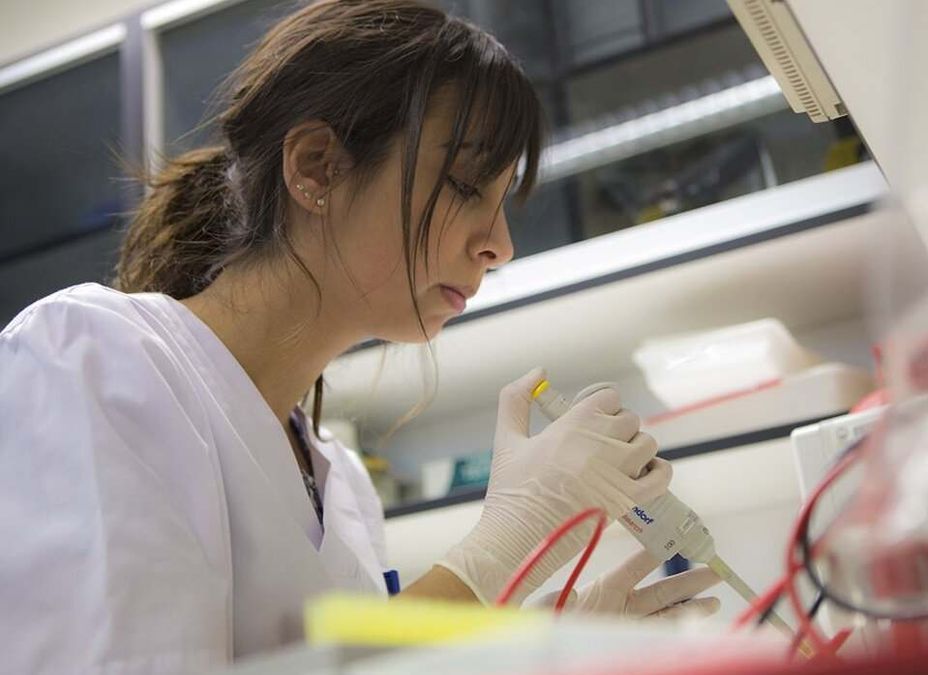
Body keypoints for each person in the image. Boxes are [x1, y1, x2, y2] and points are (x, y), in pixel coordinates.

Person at [0, 1, 719, 672]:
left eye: (505, 205)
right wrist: (500, 546)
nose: (499, 244)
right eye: (469, 185)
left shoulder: (339, 481)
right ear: (318, 167)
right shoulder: (94, 358)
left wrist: (541, 651)